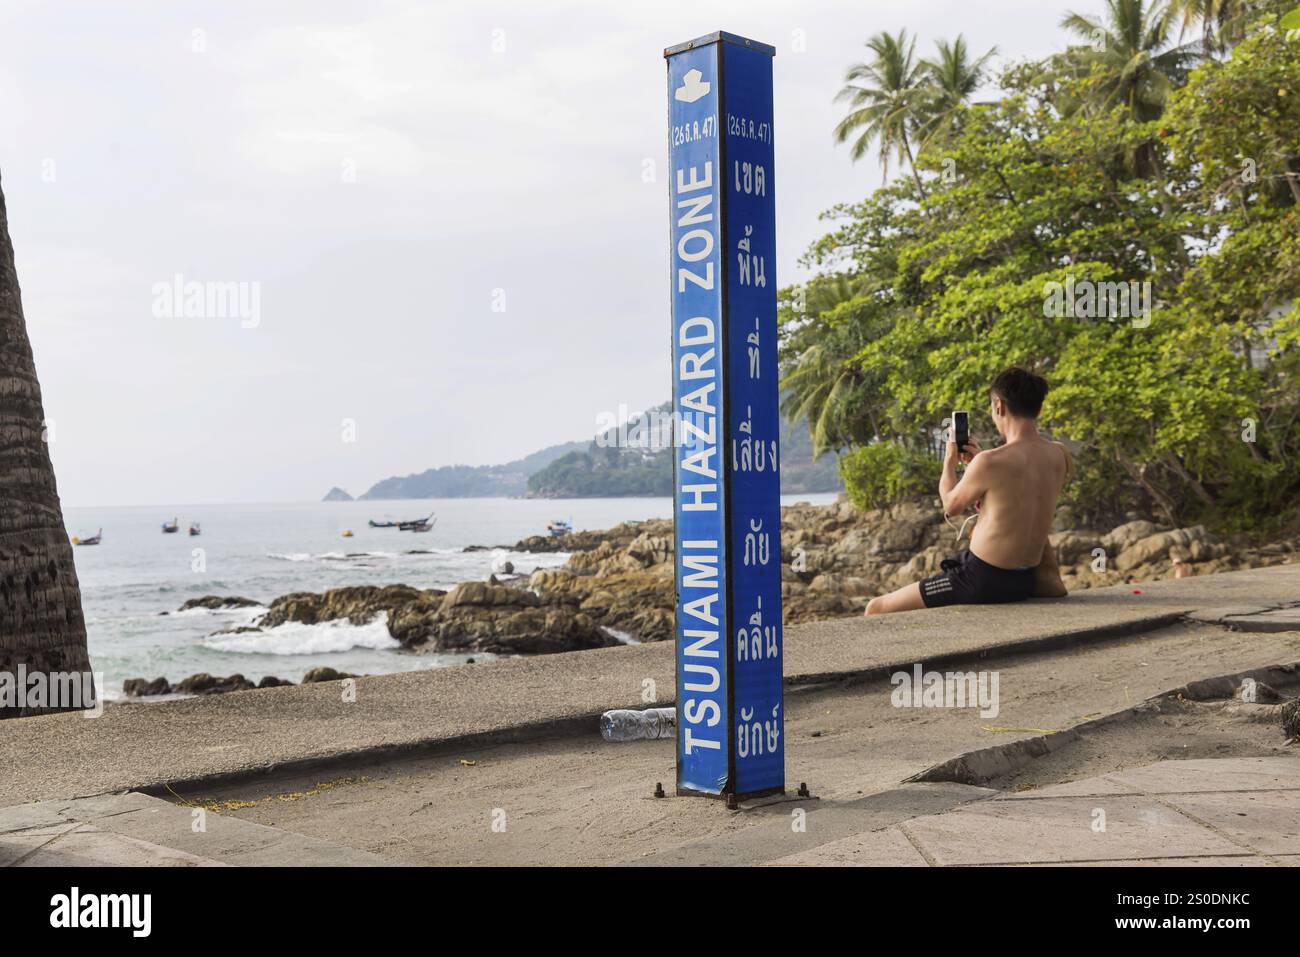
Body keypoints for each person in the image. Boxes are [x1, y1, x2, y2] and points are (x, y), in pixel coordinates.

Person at [865, 367, 1072, 615]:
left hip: (982, 579)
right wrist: (978, 465)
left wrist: (949, 462)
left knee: (876, 607)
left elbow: (951, 506)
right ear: (1038, 408)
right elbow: (1021, 497)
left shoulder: (990, 462)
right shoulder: (1060, 454)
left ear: (999, 406)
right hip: (1023, 579)